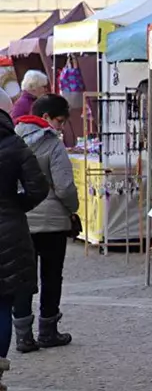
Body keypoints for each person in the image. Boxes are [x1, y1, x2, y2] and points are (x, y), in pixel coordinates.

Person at [13, 94, 77, 352]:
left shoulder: (12, 139)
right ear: (45, 118)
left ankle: (23, 336)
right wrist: (73, 210)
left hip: (21, 220)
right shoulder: (52, 144)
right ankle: (48, 330)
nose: (61, 126)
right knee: (51, 277)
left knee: (22, 279)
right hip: (52, 222)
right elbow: (64, 186)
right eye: (59, 120)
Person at [0, 108, 49, 391]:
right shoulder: (14, 143)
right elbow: (38, 187)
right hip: (9, 229)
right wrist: (16, 206)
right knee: (3, 304)